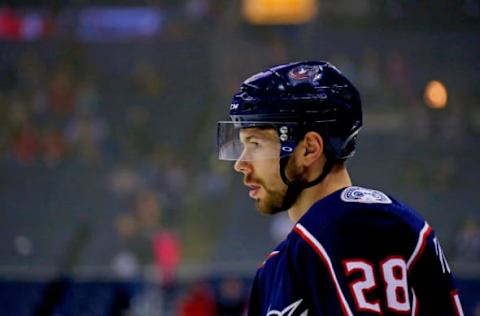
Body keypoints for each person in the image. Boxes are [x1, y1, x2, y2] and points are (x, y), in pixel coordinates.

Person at [217, 61, 464, 315]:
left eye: (256, 144)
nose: (241, 164)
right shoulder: (281, 263)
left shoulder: (358, 225)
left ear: (309, 149)